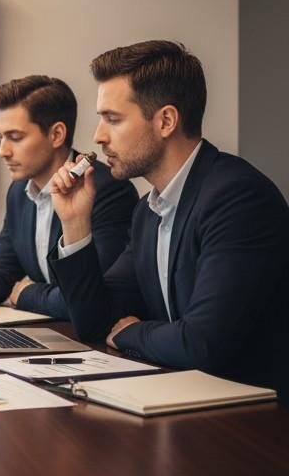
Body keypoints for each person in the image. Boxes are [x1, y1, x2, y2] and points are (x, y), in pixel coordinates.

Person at [49, 40, 289, 393]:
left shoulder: (237, 198)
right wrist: (74, 223)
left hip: (256, 425)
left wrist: (131, 331)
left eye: (112, 119)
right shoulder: (148, 211)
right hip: (190, 402)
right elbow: (94, 323)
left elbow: (202, 344)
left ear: (165, 121)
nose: (98, 136)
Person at [0, 75, 137, 320]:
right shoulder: (19, 191)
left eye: (15, 137)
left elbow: (90, 298)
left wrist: (27, 293)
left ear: (56, 134)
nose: (2, 151)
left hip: (94, 341)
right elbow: (2, 268)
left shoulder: (107, 190)